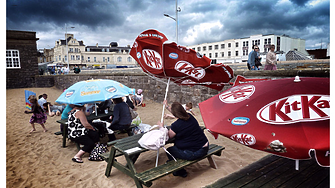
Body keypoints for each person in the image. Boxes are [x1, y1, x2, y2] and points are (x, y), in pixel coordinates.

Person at [159, 100, 209, 178]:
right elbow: (177, 113)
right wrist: (167, 106)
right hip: (205, 146)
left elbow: (168, 136)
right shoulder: (190, 116)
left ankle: (181, 171)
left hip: (196, 152)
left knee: (170, 150)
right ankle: (177, 166)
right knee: (178, 144)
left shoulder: (176, 125)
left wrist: (161, 127)